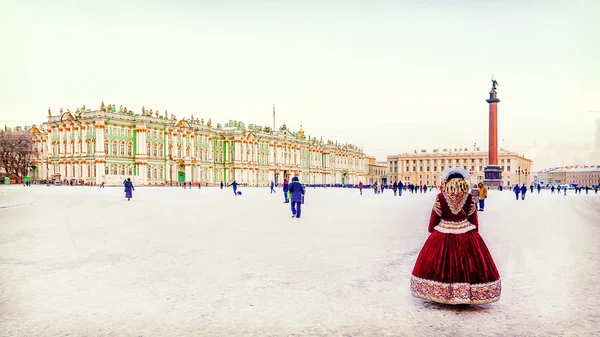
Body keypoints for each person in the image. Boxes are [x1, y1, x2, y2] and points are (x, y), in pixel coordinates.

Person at [410, 167, 501, 305]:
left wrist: (432, 231)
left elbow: (435, 216)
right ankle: (466, 292)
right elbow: (473, 218)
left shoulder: (441, 197)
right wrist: (474, 233)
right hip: (465, 231)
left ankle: (441, 291)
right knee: (468, 264)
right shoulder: (469, 197)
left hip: (443, 231)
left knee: (442, 264)